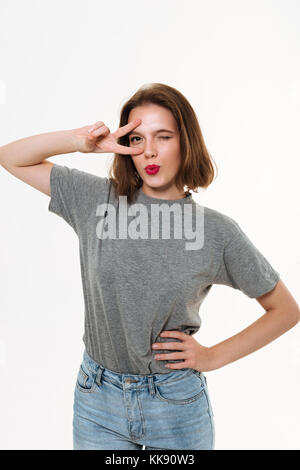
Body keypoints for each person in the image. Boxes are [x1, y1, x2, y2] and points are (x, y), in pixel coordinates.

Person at [0, 83, 299, 451]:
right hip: (98, 400)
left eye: (164, 136)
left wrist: (212, 356)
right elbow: (11, 157)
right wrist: (80, 142)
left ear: (185, 142)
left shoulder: (216, 231)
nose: (150, 151)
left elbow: (285, 310)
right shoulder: (96, 200)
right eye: (137, 139)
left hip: (174, 404)